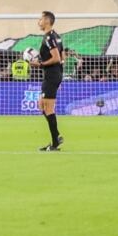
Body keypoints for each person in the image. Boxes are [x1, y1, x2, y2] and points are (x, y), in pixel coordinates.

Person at [34, 9, 69, 151]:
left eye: (40, 19)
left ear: (47, 21)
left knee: (48, 108)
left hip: (51, 75)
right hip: (54, 75)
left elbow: (57, 58)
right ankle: (56, 137)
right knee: (41, 105)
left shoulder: (49, 38)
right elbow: (63, 58)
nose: (39, 21)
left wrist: (40, 64)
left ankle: (55, 140)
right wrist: (59, 77)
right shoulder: (57, 37)